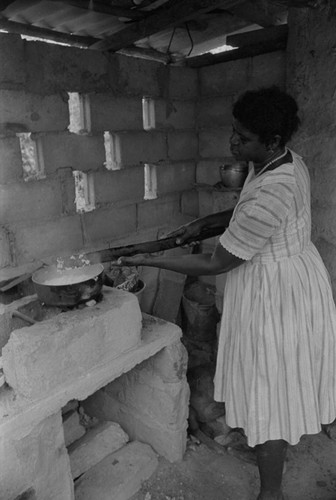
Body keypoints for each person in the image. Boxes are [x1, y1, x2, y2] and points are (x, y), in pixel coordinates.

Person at [112, 86, 336, 500]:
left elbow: (216, 263)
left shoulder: (276, 189)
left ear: (271, 141)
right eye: (234, 132)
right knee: (272, 379)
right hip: (289, 278)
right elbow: (244, 212)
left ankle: (270, 493)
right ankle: (270, 440)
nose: (233, 142)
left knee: (272, 389)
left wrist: (151, 260)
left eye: (243, 137)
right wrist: (204, 223)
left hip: (278, 296)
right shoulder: (279, 162)